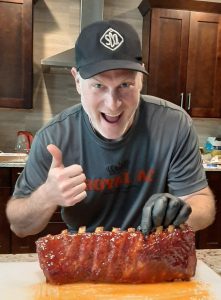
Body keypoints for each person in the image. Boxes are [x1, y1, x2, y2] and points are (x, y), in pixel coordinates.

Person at [6, 19, 215, 238]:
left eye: (125, 85)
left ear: (141, 78)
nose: (113, 104)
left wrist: (182, 213)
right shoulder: (53, 137)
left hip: (151, 256)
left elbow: (203, 204)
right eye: (98, 85)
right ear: (77, 81)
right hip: (85, 259)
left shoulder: (174, 124)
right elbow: (19, 226)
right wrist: (47, 196)